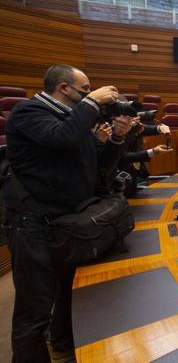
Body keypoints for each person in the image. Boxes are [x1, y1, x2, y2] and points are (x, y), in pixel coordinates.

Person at [2, 64, 132, 363]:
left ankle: (62, 347)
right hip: (32, 223)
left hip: (66, 222)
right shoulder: (28, 113)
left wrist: (115, 140)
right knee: (34, 310)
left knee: (66, 291)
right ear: (64, 88)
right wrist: (91, 103)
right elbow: (61, 139)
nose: (89, 95)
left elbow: (98, 167)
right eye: (84, 90)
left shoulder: (72, 120)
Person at [117, 117, 173, 197]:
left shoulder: (131, 126)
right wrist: (153, 152)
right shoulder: (115, 132)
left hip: (135, 173)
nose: (137, 119)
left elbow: (144, 129)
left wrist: (159, 128)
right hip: (120, 176)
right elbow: (123, 156)